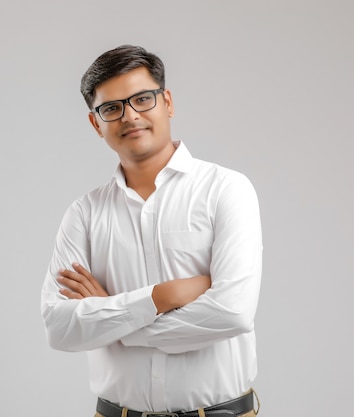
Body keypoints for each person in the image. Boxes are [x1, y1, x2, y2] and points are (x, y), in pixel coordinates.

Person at [40, 45, 262, 417]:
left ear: (167, 102)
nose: (130, 116)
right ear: (96, 123)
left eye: (142, 99)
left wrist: (115, 324)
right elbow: (60, 328)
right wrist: (162, 296)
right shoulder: (84, 214)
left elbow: (232, 312)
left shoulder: (226, 189)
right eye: (112, 108)